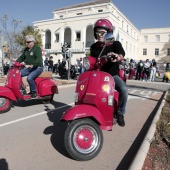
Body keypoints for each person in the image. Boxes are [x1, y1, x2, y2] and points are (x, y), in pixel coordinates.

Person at [90, 18, 128, 127]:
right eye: (97, 32)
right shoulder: (94, 47)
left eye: (102, 32)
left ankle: (120, 113)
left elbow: (121, 52)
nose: (99, 34)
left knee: (124, 90)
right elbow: (92, 60)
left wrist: (118, 56)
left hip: (112, 76)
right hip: (97, 75)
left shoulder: (114, 43)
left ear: (108, 33)